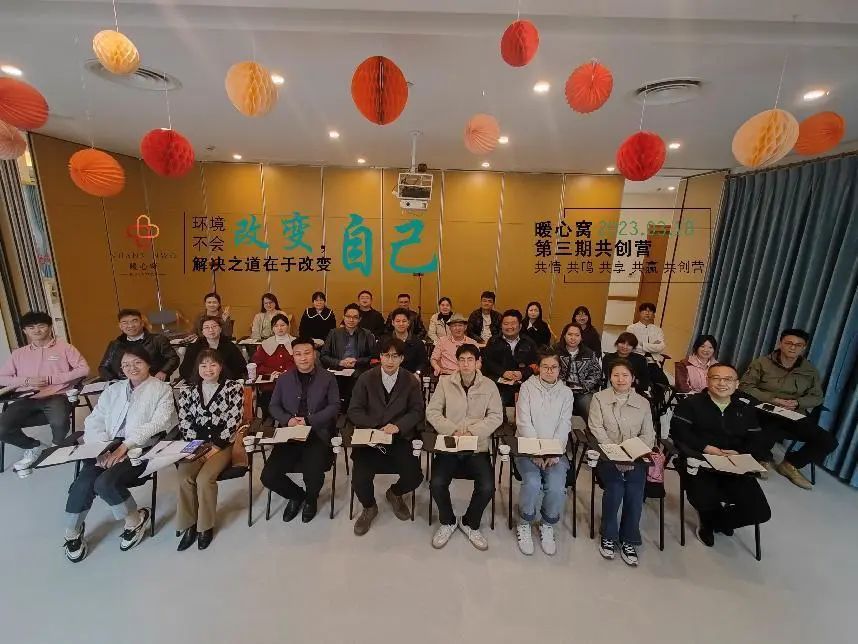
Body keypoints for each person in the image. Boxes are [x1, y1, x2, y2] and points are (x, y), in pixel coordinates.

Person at [63, 346, 178, 563]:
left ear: (148, 364)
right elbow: (94, 420)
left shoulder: (161, 389)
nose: (131, 368)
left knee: (105, 483)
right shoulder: (113, 389)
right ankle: (72, 531)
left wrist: (125, 446)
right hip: (106, 448)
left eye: (137, 363)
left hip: (140, 448)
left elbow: (158, 423)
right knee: (83, 482)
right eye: (126, 365)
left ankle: (135, 520)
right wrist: (101, 448)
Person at [670, 363, 772, 547]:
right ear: (707, 380)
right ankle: (708, 521)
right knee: (705, 499)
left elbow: (757, 440)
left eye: (728, 379)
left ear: (737, 384)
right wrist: (706, 448)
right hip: (700, 462)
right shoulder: (691, 403)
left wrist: (739, 452)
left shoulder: (745, 408)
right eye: (716, 378)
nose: (722, 383)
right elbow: (679, 433)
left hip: (735, 465)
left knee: (760, 512)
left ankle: (715, 521)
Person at [739, 329, 837, 490]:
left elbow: (817, 397)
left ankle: (791, 464)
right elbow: (745, 386)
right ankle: (761, 458)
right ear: (781, 343)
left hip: (793, 413)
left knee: (828, 441)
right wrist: (773, 399)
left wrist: (798, 403)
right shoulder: (762, 363)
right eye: (789, 343)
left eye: (798, 345)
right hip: (765, 409)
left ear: (804, 347)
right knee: (768, 428)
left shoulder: (809, 370)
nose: (793, 347)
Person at [426, 344, 502, 551]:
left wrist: (472, 432)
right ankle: (448, 521)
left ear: (478, 362)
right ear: (457, 362)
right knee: (436, 483)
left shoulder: (489, 386)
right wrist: (452, 430)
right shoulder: (445, 383)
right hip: (450, 444)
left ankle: (469, 522)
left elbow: (496, 416)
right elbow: (432, 412)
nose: (466, 364)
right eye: (462, 359)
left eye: (470, 359)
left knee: (487, 487)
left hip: (477, 446)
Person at [347, 337, 424, 536]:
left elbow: (417, 411)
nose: (390, 360)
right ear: (380, 357)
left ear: (402, 358)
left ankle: (394, 493)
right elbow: (354, 410)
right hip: (371, 437)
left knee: (415, 477)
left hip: (398, 436)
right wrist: (376, 425)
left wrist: (398, 426)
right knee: (359, 480)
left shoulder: (410, 381)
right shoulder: (365, 378)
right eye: (386, 355)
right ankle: (369, 507)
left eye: (395, 356)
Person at [260, 337, 340, 524]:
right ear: (293, 356)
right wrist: (288, 420)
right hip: (290, 433)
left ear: (314, 354)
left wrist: (309, 420)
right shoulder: (284, 379)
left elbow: (335, 406)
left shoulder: (328, 378)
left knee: (313, 472)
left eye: (307, 353)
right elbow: (274, 406)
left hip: (317, 433)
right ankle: (297, 496)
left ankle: (311, 500)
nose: (303, 358)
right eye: (298, 354)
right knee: (268, 476)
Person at [0, 311, 90, 473]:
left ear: (50, 327)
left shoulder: (65, 348)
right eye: (31, 327)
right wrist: (26, 381)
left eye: (41, 326)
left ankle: (55, 448)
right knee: (2, 428)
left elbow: (84, 369)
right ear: (25, 331)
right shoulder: (18, 354)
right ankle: (34, 446)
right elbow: (2, 378)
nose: (37, 330)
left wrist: (51, 379)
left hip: (57, 395)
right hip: (27, 398)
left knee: (59, 422)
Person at [175, 349, 244, 551]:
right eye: (203, 365)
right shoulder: (188, 391)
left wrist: (216, 445)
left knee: (204, 479)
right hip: (196, 444)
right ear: (197, 368)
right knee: (184, 477)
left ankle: (205, 526)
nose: (208, 369)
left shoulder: (233, 388)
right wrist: (195, 447)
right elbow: (184, 421)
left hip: (222, 444)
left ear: (221, 366)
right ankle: (189, 524)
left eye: (213, 364)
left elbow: (234, 420)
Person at [588, 359, 655, 566]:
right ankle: (608, 535)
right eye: (616, 375)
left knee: (635, 490)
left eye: (625, 375)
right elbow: (596, 428)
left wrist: (632, 454)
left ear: (633, 378)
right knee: (616, 488)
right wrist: (615, 453)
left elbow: (648, 434)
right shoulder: (599, 398)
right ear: (610, 377)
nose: (620, 379)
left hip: (635, 457)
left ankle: (629, 538)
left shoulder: (643, 403)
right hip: (608, 455)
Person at [514, 348, 574, 556]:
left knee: (557, 487)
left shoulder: (566, 393)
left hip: (555, 451)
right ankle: (525, 521)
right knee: (532, 483)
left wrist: (553, 452)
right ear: (538, 368)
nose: (549, 371)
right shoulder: (527, 387)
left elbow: (565, 424)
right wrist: (536, 452)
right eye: (545, 367)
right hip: (528, 448)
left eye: (554, 367)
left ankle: (547, 524)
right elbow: (523, 422)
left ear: (559, 369)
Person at [98, 309, 179, 382]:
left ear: (142, 323)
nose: (130, 325)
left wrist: (163, 372)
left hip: (153, 381)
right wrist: (113, 381)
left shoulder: (157, 340)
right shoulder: (115, 344)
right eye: (125, 322)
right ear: (120, 326)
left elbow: (173, 358)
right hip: (124, 385)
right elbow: (103, 367)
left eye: (134, 321)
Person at [481, 309, 538, 410]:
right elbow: (487, 362)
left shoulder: (529, 343)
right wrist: (503, 372)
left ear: (520, 326)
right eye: (506, 324)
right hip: (499, 383)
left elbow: (535, 364)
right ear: (501, 326)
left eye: (513, 323)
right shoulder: (493, 341)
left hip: (523, 383)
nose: (509, 327)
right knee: (497, 404)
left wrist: (522, 373)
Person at [321, 304, 376, 404]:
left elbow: (373, 357)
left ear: (359, 319)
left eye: (355, 317)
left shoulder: (366, 334)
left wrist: (357, 361)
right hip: (338, 369)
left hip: (358, 369)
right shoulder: (334, 333)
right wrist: (339, 362)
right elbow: (324, 356)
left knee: (356, 379)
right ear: (343, 317)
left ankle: (350, 405)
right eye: (348, 316)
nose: (351, 320)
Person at [250, 314, 296, 414]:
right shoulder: (266, 344)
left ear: (288, 326)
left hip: (292, 382)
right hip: (270, 383)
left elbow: (300, 362)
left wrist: (287, 372)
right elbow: (256, 364)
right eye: (276, 326)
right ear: (272, 328)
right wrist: (271, 372)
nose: (280, 328)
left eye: (282, 325)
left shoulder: (296, 343)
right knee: (268, 403)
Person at [179, 316, 247, 382]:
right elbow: (185, 370)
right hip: (200, 382)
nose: (211, 330)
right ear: (202, 332)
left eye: (214, 326)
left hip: (225, 382)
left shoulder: (230, 346)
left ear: (220, 329)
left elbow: (240, 368)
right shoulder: (194, 347)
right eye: (206, 327)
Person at [556, 322, 601, 418]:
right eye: (570, 334)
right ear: (564, 336)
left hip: (582, 392)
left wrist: (585, 386)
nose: (573, 338)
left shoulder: (589, 353)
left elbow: (596, 372)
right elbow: (548, 369)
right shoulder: (555, 351)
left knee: (591, 412)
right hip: (559, 390)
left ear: (581, 337)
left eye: (577, 335)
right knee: (555, 411)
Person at [381, 307, 427, 374]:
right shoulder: (384, 340)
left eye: (404, 321)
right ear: (393, 323)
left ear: (408, 323)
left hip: (411, 376)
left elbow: (423, 363)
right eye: (398, 321)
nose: (401, 324)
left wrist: (417, 373)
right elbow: (376, 359)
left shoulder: (417, 342)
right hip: (388, 375)